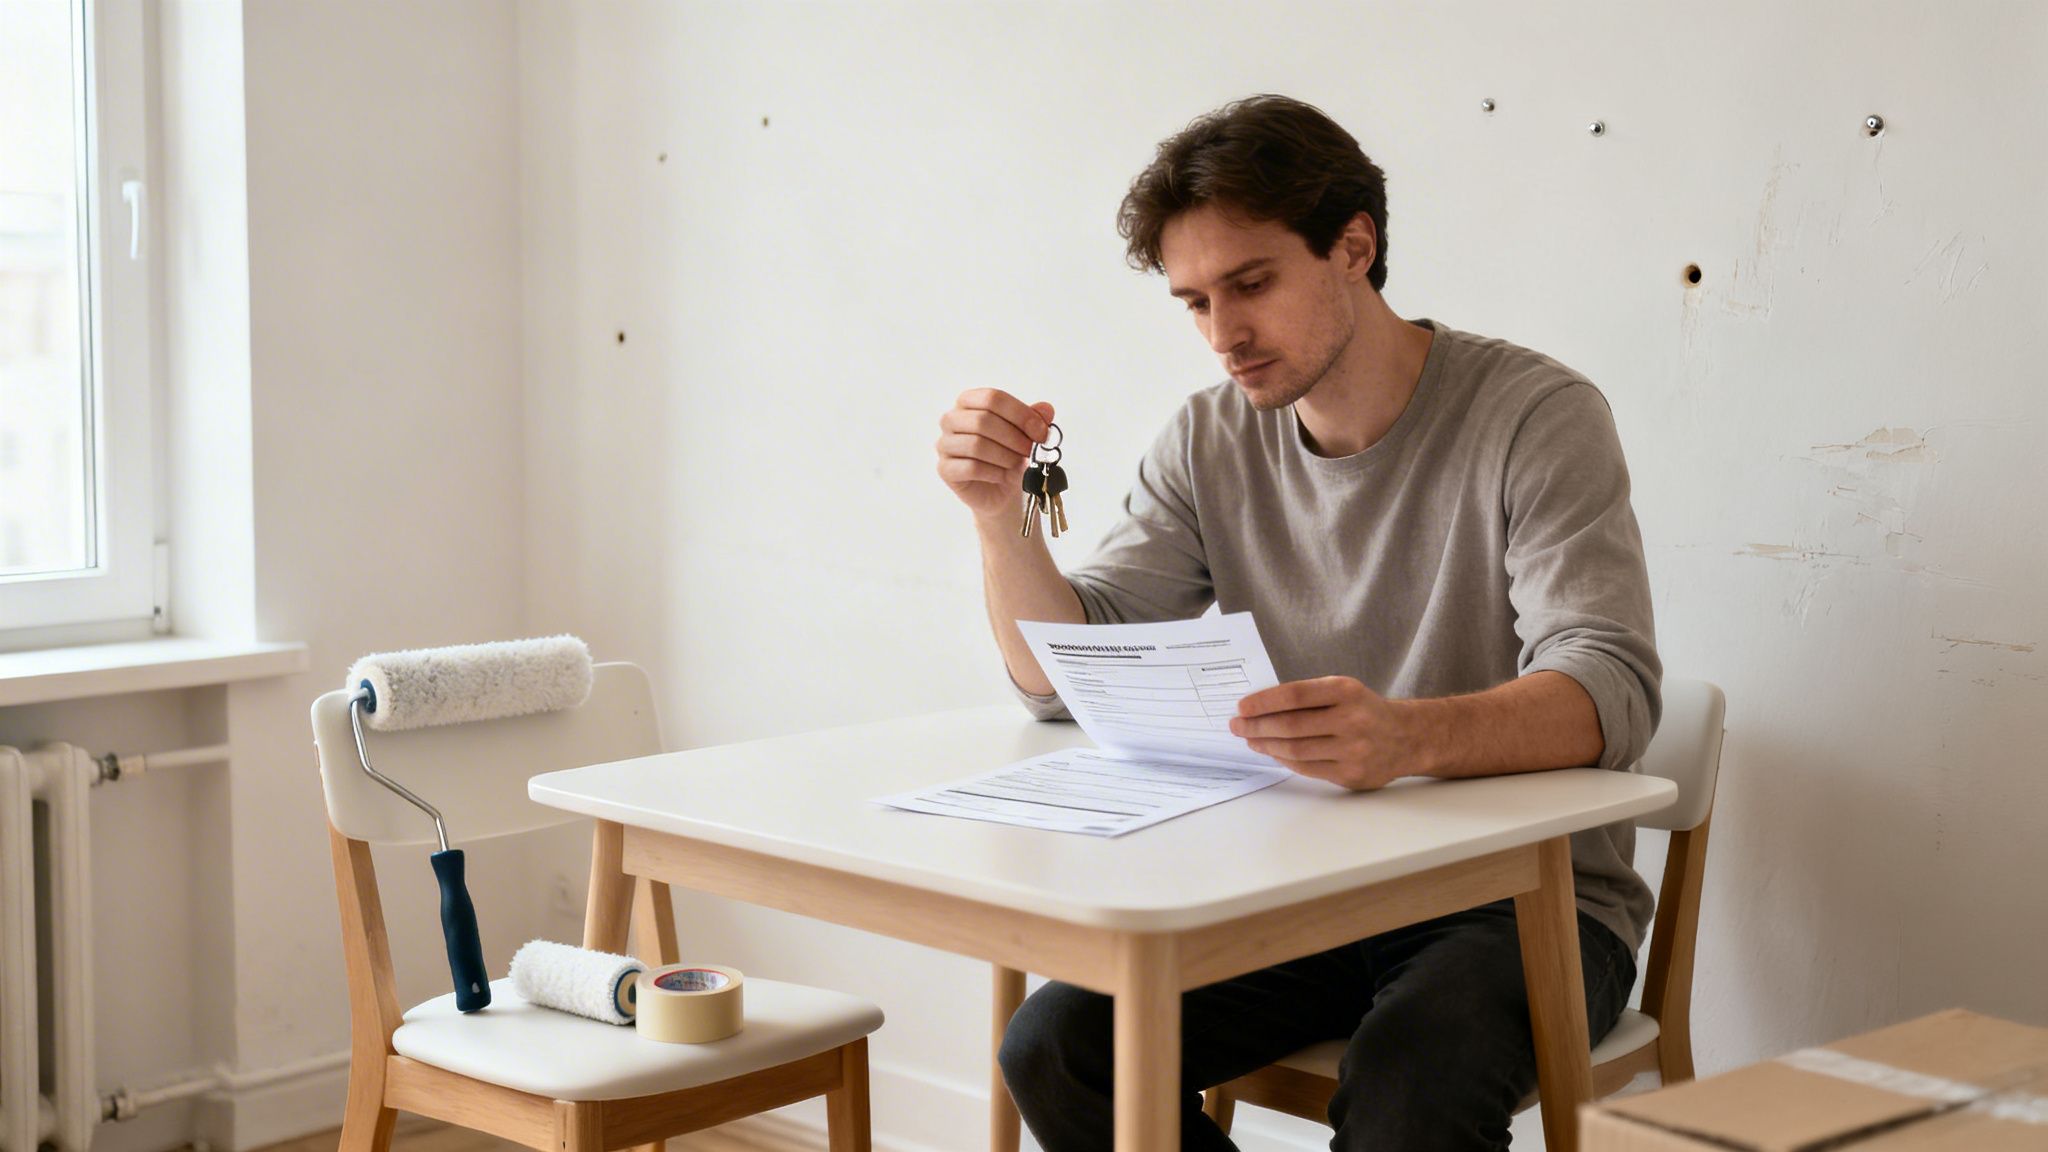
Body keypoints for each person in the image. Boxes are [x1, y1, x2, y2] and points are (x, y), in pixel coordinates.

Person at [932, 93, 1659, 1151]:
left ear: (1352, 247)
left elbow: (1612, 689)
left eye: (1250, 284)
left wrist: (1406, 737)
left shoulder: (1535, 417)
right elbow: (1059, 677)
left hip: (1521, 906)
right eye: (1192, 302)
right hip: (1303, 894)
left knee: (1411, 1081)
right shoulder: (1205, 441)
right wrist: (1001, 524)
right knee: (1055, 1046)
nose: (1222, 334)